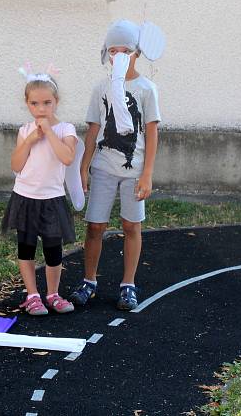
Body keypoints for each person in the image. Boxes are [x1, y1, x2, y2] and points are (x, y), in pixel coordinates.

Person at [70, 20, 162, 311]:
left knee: (131, 225)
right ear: (106, 54)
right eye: (113, 51)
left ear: (137, 53)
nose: (119, 56)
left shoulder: (147, 89)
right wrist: (83, 168)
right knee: (95, 225)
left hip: (133, 171)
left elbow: (152, 131)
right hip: (103, 168)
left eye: (126, 51)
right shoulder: (101, 88)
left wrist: (147, 174)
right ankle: (89, 280)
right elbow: (93, 129)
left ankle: (128, 284)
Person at [2, 68, 78, 316]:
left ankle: (53, 294)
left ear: (57, 102)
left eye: (47, 102)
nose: (41, 108)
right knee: (26, 247)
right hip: (25, 197)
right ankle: (32, 294)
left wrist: (48, 133)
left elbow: (67, 158)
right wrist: (30, 140)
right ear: (27, 104)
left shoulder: (66, 129)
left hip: (51, 198)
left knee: (53, 249)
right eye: (35, 103)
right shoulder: (25, 130)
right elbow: (16, 165)